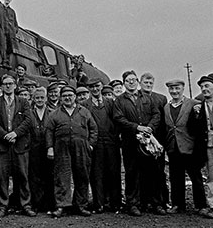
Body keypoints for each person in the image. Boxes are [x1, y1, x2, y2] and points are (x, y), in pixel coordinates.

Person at [113, 70, 164, 216]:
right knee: (132, 173)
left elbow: (156, 114)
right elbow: (118, 119)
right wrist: (136, 127)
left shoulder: (147, 98)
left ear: (137, 81)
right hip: (130, 142)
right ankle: (133, 204)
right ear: (124, 83)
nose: (131, 82)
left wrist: (150, 128)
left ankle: (156, 203)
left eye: (134, 79)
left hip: (148, 141)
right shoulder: (119, 101)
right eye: (128, 80)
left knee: (152, 172)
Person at [163, 79, 213, 218]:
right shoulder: (166, 107)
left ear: (183, 88)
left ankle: (201, 205)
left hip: (189, 147)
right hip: (173, 148)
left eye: (177, 88)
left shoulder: (194, 104)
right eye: (172, 89)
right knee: (175, 177)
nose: (174, 91)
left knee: (195, 177)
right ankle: (178, 205)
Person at [46, 85, 98, 218]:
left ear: (75, 97)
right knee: (62, 177)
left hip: (81, 147)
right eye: (64, 96)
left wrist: (90, 145)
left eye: (70, 95)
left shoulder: (84, 111)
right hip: (61, 147)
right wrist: (50, 148)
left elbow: (93, 129)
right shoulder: (55, 114)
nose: (67, 98)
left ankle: (81, 205)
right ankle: (62, 206)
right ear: (61, 98)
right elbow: (49, 132)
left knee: (82, 176)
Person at [0, 75, 36, 218]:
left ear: (15, 86)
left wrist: (15, 133)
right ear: (2, 86)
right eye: (5, 84)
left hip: (20, 144)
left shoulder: (23, 102)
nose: (8, 86)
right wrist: (5, 135)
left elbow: (28, 121)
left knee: (22, 176)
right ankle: (3, 206)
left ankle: (25, 205)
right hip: (2, 145)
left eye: (10, 84)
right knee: (1, 176)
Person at [83, 78, 121, 213]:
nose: (95, 89)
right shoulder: (84, 105)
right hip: (95, 143)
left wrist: (115, 137)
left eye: (97, 86)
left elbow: (117, 121)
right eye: (92, 87)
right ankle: (99, 204)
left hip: (111, 142)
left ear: (101, 86)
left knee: (114, 172)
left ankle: (115, 203)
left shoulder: (110, 103)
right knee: (96, 173)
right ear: (89, 88)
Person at [140, 72, 169, 209]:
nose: (148, 85)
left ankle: (162, 200)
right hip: (141, 141)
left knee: (159, 171)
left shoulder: (161, 98)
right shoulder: (136, 97)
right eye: (146, 82)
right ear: (140, 83)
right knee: (143, 171)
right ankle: (145, 200)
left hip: (157, 140)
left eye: (151, 83)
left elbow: (163, 120)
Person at [28, 87, 55, 212]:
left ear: (46, 98)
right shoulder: (29, 113)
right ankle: (37, 204)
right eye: (37, 98)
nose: (39, 100)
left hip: (48, 148)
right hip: (33, 148)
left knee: (49, 175)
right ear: (33, 99)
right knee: (34, 176)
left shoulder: (52, 112)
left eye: (42, 98)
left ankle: (49, 203)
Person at [195, 74, 213, 210]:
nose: (204, 89)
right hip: (209, 145)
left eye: (207, 86)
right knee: (211, 175)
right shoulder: (200, 106)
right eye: (202, 87)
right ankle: (212, 204)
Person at [3, 0, 18, 65]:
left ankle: (7, 61)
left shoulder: (12, 11)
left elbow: (15, 24)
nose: (7, 0)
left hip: (10, 33)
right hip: (2, 31)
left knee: (9, 49)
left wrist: (14, 31)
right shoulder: (0, 8)